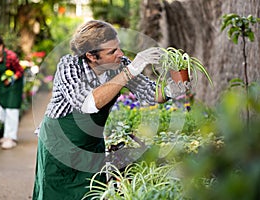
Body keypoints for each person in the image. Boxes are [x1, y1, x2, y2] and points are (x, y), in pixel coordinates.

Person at [32, 20, 190, 200]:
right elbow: (88, 103)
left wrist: (172, 89)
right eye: (112, 51)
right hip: (59, 145)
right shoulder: (69, 66)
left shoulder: (120, 65)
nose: (120, 54)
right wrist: (130, 71)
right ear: (91, 56)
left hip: (91, 147)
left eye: (119, 48)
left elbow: (150, 93)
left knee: (92, 194)